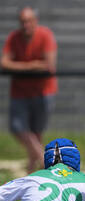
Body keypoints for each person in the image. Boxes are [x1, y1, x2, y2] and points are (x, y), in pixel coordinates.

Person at [0, 7, 58, 174]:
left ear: (35, 21)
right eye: (23, 21)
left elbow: (48, 65)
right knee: (17, 128)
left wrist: (19, 67)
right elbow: (4, 63)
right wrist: (32, 65)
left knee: (37, 132)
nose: (25, 25)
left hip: (43, 91)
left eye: (28, 21)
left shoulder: (45, 35)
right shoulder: (14, 37)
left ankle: (32, 170)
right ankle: (45, 161)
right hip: (19, 92)